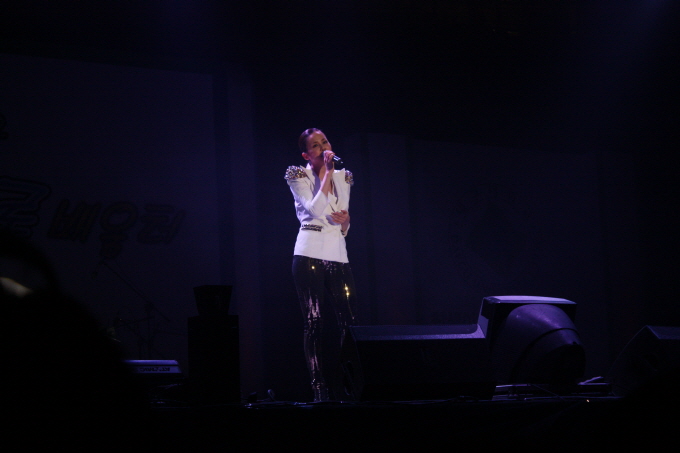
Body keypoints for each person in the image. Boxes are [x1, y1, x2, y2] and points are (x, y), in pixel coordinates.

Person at [285, 128, 358, 402]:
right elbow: (315, 210)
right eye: (315, 145)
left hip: (338, 253)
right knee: (314, 321)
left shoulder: (344, 176)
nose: (323, 147)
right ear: (307, 155)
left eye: (324, 141)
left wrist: (346, 222)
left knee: (349, 323)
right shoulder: (298, 175)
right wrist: (326, 173)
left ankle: (349, 385)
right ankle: (319, 388)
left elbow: (343, 222)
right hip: (309, 253)